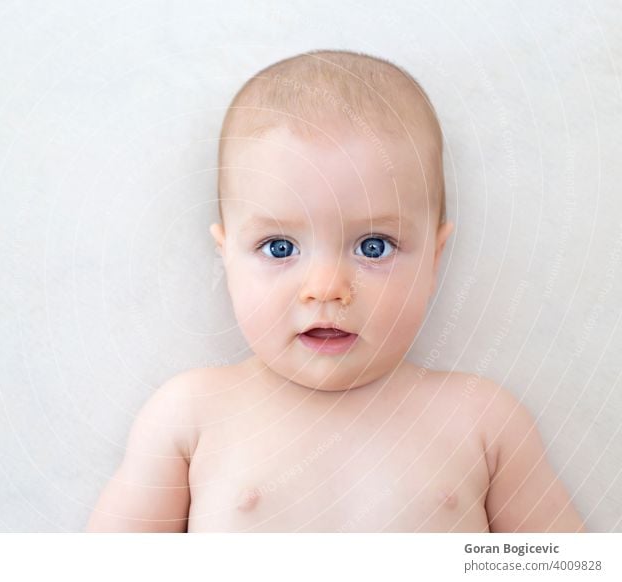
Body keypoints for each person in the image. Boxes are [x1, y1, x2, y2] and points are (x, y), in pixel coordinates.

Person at [86, 49, 585, 532]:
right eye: (279, 248)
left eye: (374, 246)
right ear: (226, 256)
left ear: (433, 258)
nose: (326, 289)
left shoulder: (483, 422)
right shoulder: (190, 417)